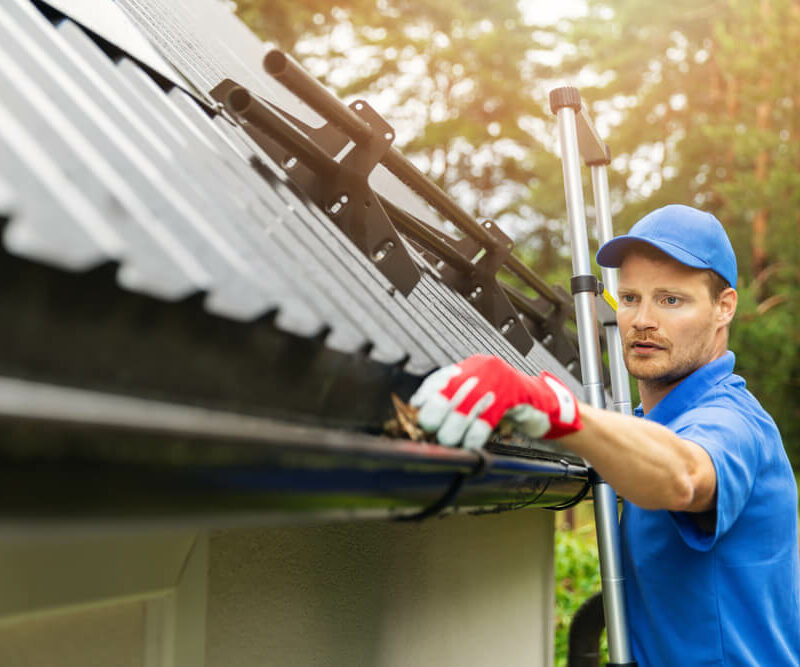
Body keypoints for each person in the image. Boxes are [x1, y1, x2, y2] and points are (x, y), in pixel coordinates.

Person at [409, 204, 800, 665]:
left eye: (671, 300)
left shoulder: (732, 422)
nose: (642, 320)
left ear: (724, 307)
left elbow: (686, 474)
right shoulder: (651, 424)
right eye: (630, 298)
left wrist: (556, 409)